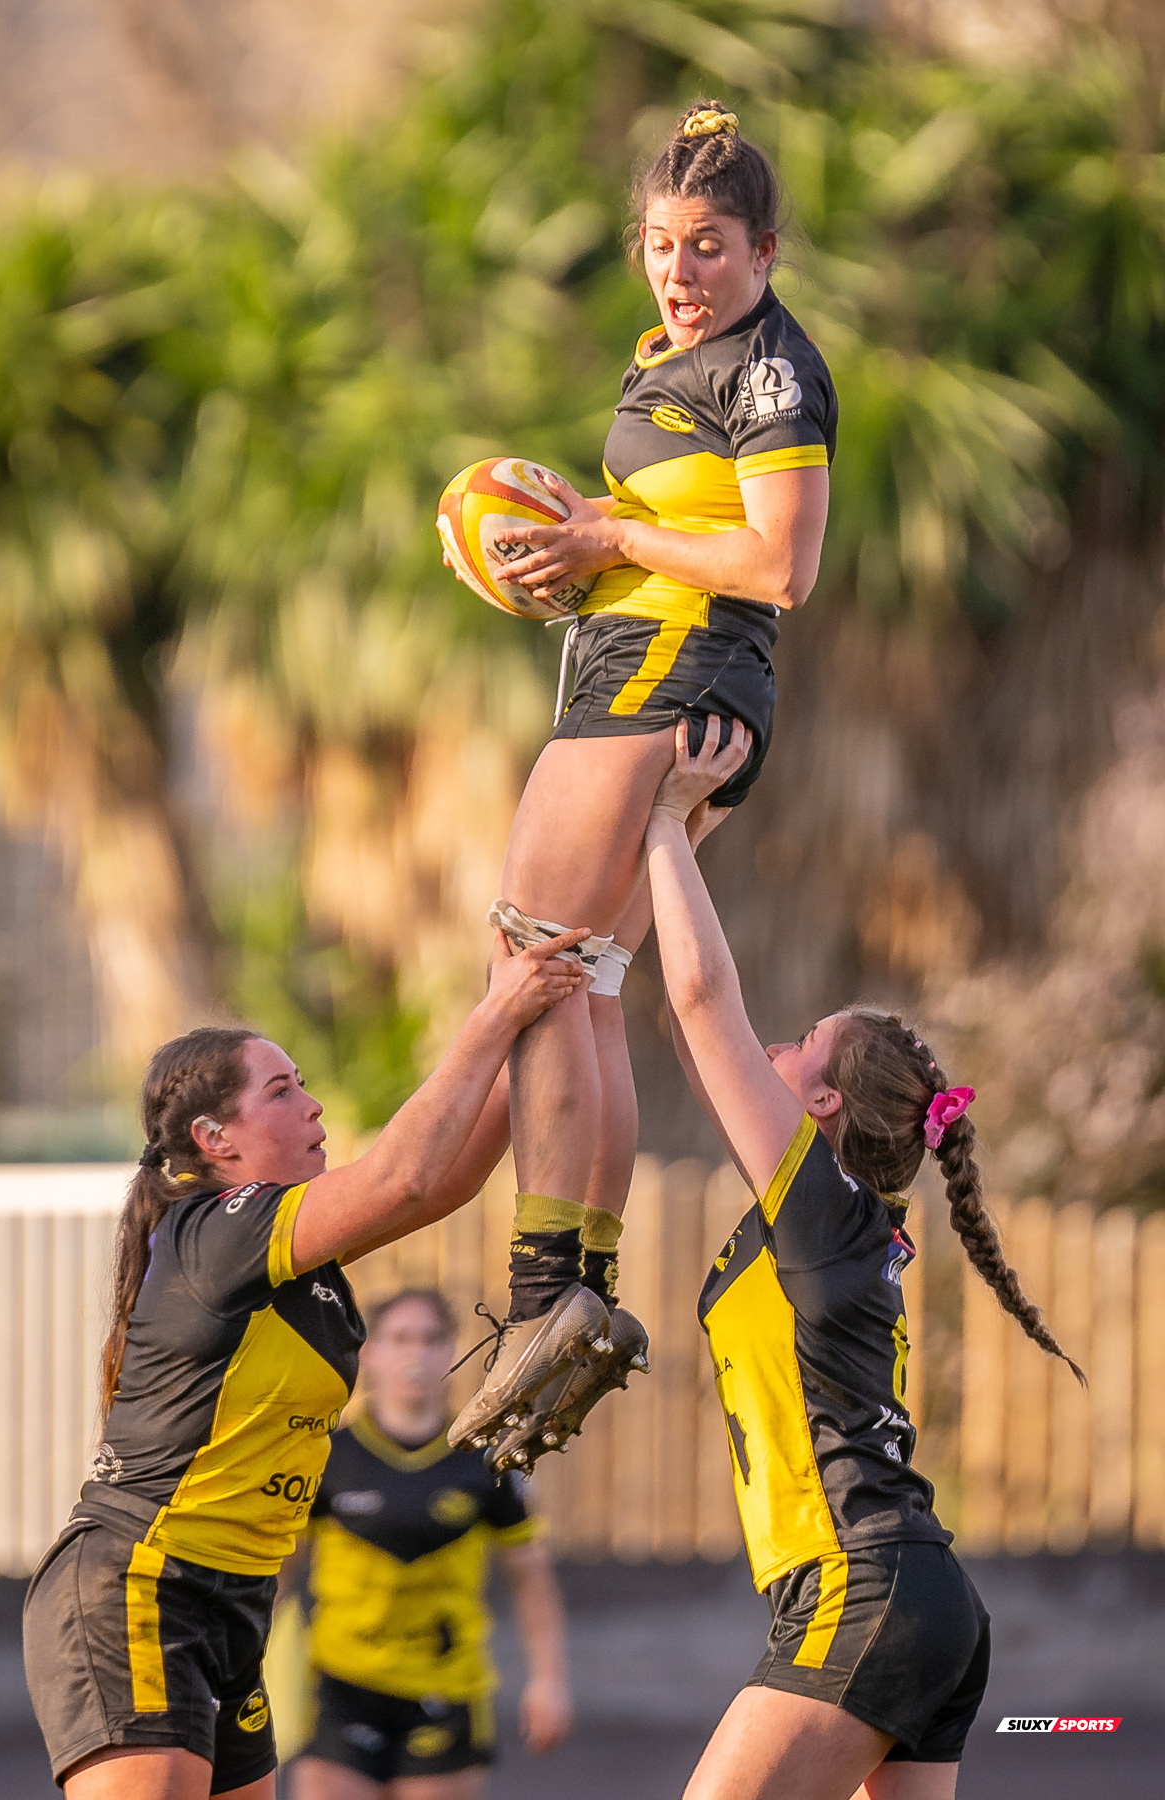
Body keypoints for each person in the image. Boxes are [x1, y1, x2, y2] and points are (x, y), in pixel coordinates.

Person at [445, 98, 837, 1459]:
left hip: (664, 688)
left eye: (714, 246)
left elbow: (779, 567)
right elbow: (678, 534)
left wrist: (611, 533)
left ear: (767, 249)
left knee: (538, 966)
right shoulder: (665, 357)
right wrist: (579, 557)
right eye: (665, 243)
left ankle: (550, 1296)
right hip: (656, 676)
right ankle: (581, 1295)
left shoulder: (769, 371)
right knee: (588, 986)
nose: (683, 270)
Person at [21, 926, 588, 1800]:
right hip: (143, 1581)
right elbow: (404, 1175)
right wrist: (497, 1008)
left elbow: (444, 1181)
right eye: (283, 1091)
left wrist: (545, 1019)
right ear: (217, 1138)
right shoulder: (223, 1225)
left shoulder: (301, 1260)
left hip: (235, 1605)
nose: (314, 1104)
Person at [640, 717, 1083, 1800]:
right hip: (921, 1600)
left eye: (799, 1047)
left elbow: (703, 1008)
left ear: (826, 1102)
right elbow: (699, 1026)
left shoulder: (826, 1212)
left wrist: (658, 818)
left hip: (864, 1588)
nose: (775, 1051)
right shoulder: (843, 1221)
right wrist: (673, 858)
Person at [285, 1288, 571, 1799]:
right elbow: (278, 1573)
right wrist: (239, 1666)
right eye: (399, 1339)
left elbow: (531, 1577)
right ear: (368, 1352)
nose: (415, 1354)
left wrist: (548, 1680)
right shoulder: (328, 1456)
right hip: (341, 1684)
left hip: (445, 1687)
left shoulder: (486, 1459)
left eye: (430, 1339)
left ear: (451, 1352)